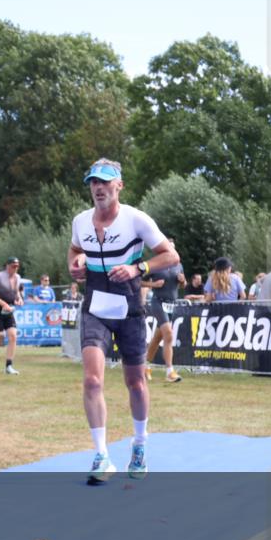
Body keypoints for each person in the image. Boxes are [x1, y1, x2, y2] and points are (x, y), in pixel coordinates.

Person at [68, 158, 179, 485]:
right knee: (92, 381)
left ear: (119, 186)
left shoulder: (136, 219)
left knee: (136, 382)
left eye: (105, 182)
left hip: (129, 307)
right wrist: (75, 266)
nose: (98, 188)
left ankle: (140, 444)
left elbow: (171, 256)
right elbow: (74, 252)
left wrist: (138, 269)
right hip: (95, 308)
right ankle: (101, 455)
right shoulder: (80, 221)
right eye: (93, 182)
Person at [141, 238, 183, 383]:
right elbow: (138, 281)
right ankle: (170, 372)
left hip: (171, 304)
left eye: (173, 248)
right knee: (169, 334)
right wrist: (153, 284)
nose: (171, 251)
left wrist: (183, 281)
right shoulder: (156, 265)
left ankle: (145, 366)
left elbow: (182, 285)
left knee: (157, 338)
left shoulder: (178, 265)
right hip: (158, 302)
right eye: (168, 248)